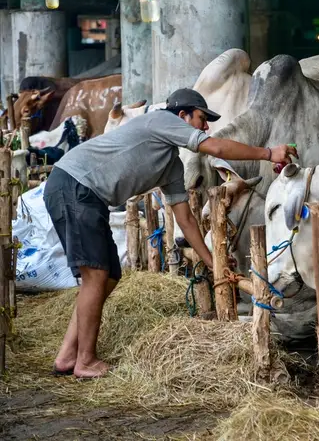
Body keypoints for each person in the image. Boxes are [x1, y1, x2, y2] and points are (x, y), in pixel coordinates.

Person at [44, 88, 298, 379]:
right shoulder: (161, 120)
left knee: (109, 276)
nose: (205, 127)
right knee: (96, 276)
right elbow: (216, 148)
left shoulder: (171, 165)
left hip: (88, 197)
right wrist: (268, 153)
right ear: (183, 115)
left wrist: (213, 261)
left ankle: (68, 356)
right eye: (202, 119)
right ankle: (85, 361)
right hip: (75, 186)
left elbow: (185, 219)